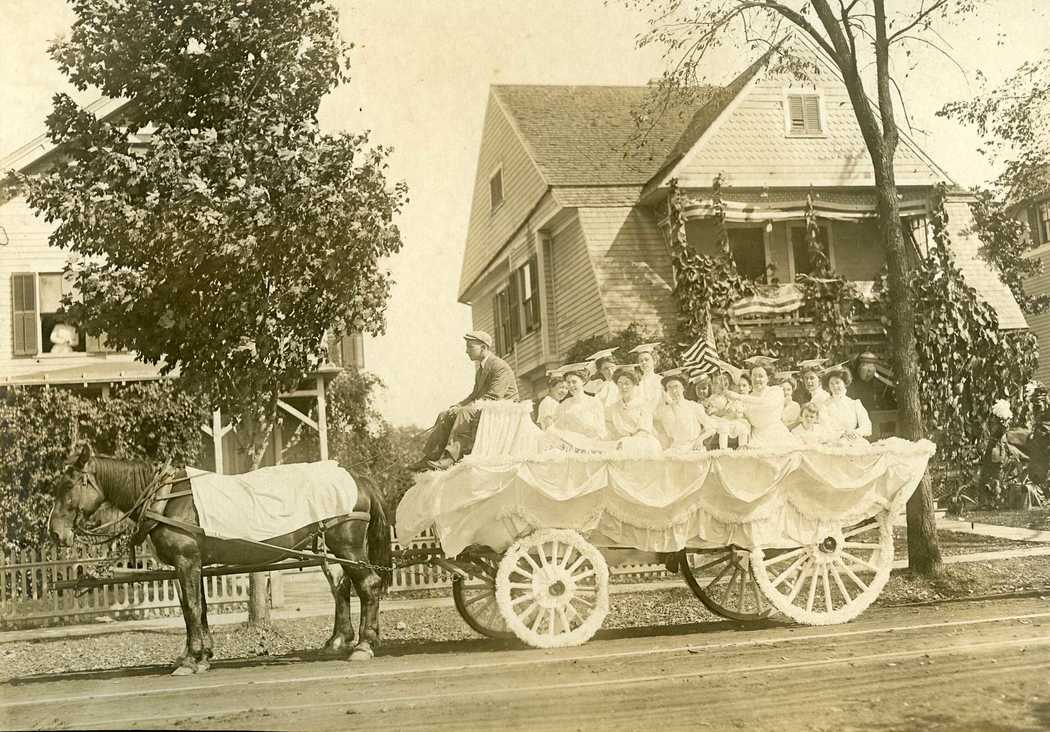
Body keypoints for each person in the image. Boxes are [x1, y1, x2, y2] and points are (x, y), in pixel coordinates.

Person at [413, 331, 519, 471]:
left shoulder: (499, 366)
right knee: (444, 414)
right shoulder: (481, 369)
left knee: (464, 413)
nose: (466, 351)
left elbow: (494, 396)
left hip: (504, 408)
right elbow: (474, 395)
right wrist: (457, 405)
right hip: (487, 405)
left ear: (483, 348)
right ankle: (430, 457)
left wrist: (463, 408)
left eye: (470, 347)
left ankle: (450, 457)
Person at [724, 365, 802, 448]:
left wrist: (739, 397)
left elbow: (765, 404)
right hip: (756, 438)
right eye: (754, 376)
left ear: (768, 378)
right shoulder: (747, 398)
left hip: (777, 435)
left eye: (761, 376)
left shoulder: (775, 391)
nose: (757, 379)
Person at [547, 367, 608, 452]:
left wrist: (592, 443)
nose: (571, 385)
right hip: (571, 448)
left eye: (574, 382)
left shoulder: (594, 402)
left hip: (592, 446)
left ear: (583, 381)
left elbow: (601, 428)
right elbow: (558, 429)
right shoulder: (563, 405)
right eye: (568, 383)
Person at [605, 367, 662, 455]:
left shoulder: (644, 405)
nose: (623, 387)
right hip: (620, 443)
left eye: (627, 383)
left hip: (643, 443)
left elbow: (643, 430)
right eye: (619, 383)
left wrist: (626, 441)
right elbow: (611, 429)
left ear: (634, 384)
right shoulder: (613, 408)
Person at [655, 370, 714, 452]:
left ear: (683, 388)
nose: (674, 391)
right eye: (669, 387)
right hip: (676, 448)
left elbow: (711, 428)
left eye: (676, 386)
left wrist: (700, 440)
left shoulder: (694, 406)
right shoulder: (665, 411)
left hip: (694, 448)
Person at [820, 368, 873, 442]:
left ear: (844, 383)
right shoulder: (825, 406)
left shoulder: (854, 404)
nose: (835, 386)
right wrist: (841, 435)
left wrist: (855, 433)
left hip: (853, 439)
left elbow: (867, 426)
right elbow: (824, 428)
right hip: (833, 441)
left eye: (837, 383)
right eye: (831, 384)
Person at [629, 342, 665, 413]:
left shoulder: (661, 380)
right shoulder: (637, 382)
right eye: (641, 361)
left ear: (654, 361)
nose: (644, 363)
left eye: (646, 359)